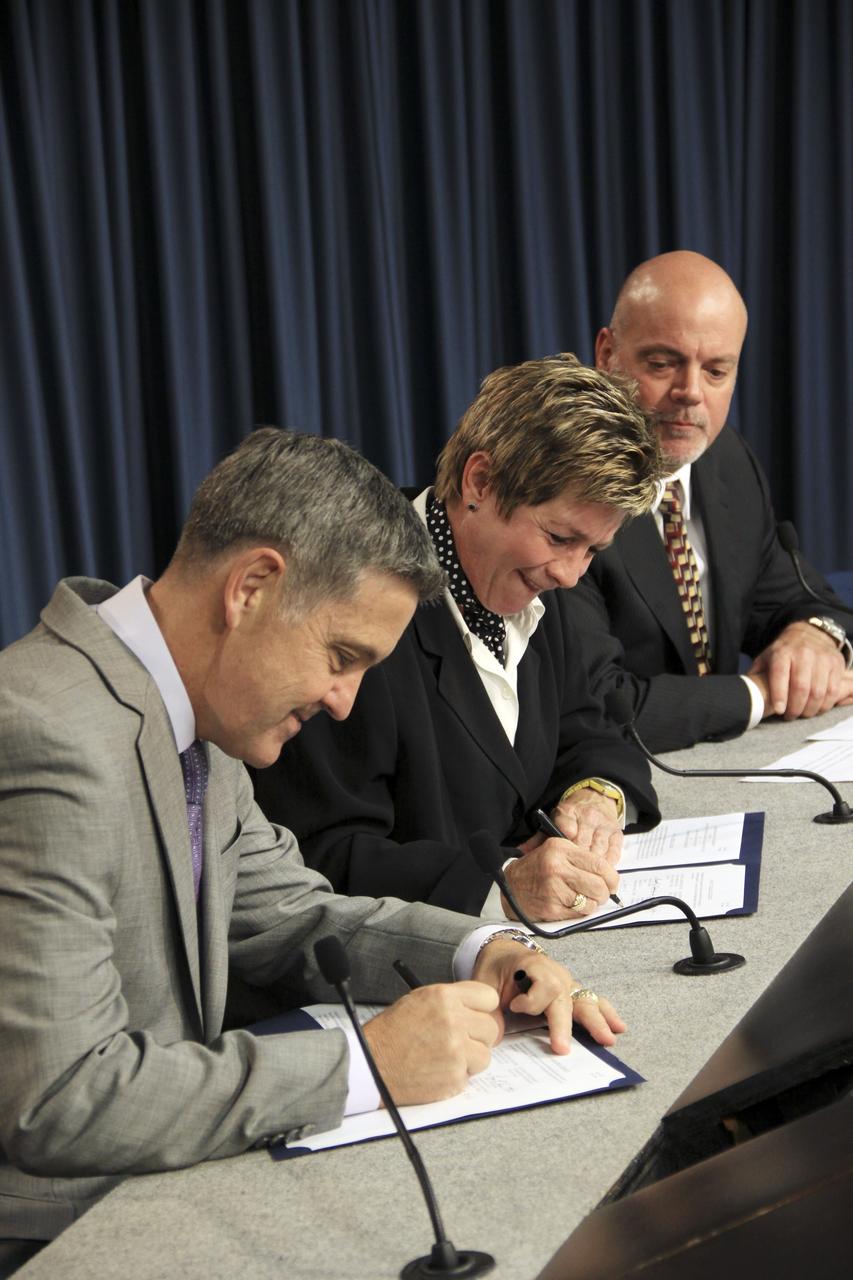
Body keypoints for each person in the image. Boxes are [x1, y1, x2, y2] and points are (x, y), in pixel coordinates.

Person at [0, 428, 623, 1260]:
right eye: (341, 657)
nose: (342, 702)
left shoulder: (189, 716)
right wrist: (364, 1067)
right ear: (252, 587)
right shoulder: (46, 734)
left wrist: (483, 951)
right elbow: (65, 1101)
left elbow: (293, 915)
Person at [254, 356, 663, 924]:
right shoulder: (353, 600)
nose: (571, 573)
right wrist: (500, 887)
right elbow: (319, 852)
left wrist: (596, 795)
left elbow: (592, 725)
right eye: (560, 537)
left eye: (593, 550)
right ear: (480, 482)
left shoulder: (545, 578)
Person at [565, 250, 853, 752]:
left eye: (716, 372)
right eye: (662, 363)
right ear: (606, 353)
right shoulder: (564, 489)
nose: (690, 392)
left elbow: (804, 599)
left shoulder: (727, 463)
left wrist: (812, 638)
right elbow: (599, 703)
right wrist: (761, 694)